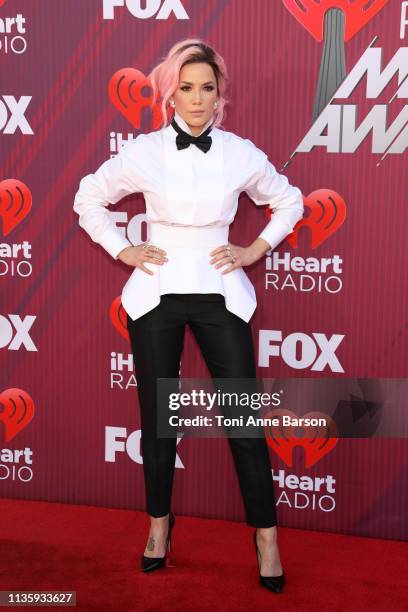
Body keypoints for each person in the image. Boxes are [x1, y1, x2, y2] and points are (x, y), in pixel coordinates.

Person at [73, 38, 304, 594]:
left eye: (207, 88)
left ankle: (266, 536)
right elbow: (87, 197)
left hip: (222, 290)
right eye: (186, 87)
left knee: (244, 422)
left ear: (221, 94)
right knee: (159, 422)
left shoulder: (240, 153)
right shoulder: (144, 151)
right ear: (168, 92)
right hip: (155, 292)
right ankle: (158, 527)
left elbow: (290, 199)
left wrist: (255, 248)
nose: (197, 100)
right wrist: (122, 249)